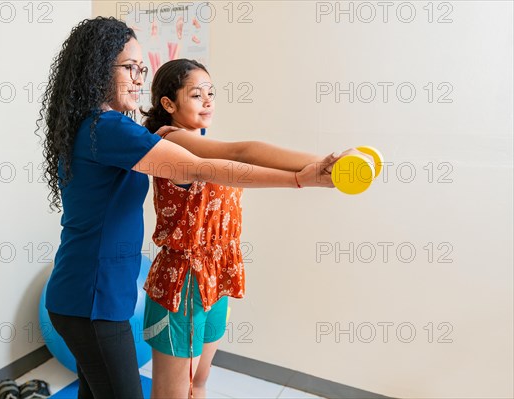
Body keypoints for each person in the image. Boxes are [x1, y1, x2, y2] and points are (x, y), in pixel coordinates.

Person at [37, 17, 350, 399]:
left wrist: (321, 163)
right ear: (98, 65)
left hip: (97, 294)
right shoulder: (107, 129)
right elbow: (203, 167)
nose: (138, 79)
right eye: (130, 68)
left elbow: (238, 150)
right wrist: (302, 179)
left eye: (142, 69)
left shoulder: (102, 126)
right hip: (90, 298)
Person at [140, 59, 372, 398]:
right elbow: (243, 152)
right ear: (168, 104)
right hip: (184, 279)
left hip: (217, 270)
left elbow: (248, 158)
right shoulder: (170, 140)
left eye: (211, 93)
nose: (208, 101)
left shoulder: (198, 141)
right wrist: (308, 175)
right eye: (196, 94)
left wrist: (325, 166)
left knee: (200, 382)